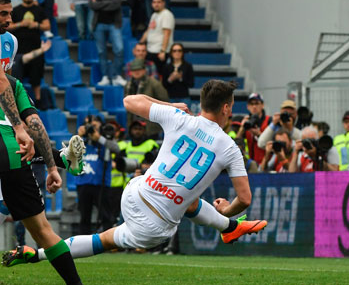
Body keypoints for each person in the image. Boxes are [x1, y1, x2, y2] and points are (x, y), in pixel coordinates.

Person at [4, 80, 268, 269]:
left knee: (185, 198)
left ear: (202, 103)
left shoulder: (180, 117)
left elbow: (129, 101)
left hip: (135, 192)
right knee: (103, 240)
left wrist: (170, 105)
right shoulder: (230, 148)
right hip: (155, 224)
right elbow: (244, 199)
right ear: (225, 108)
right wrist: (225, 210)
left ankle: (230, 228)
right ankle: (228, 226)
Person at [0, 0, 96, 285]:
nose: (9, 20)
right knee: (42, 229)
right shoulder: (11, 80)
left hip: (10, 145)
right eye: (2, 14)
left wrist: (51, 168)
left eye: (9, 13)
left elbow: (32, 118)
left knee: (41, 229)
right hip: (14, 146)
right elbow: (27, 117)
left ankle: (59, 159)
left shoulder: (10, 65)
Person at [74, 114, 120, 235]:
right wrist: (78, 136)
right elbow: (70, 153)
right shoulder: (81, 140)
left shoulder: (105, 139)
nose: (90, 126)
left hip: (101, 183)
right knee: (84, 216)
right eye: (88, 123)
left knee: (106, 215)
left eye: (94, 123)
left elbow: (116, 148)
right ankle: (83, 243)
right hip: (83, 182)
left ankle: (108, 242)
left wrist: (98, 137)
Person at [8, 0, 50, 109]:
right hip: (18, 50)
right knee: (15, 78)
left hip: (35, 49)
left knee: (36, 77)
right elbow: (7, 25)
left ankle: (38, 99)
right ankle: (15, 100)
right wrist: (21, 24)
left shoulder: (39, 10)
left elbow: (47, 25)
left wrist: (36, 24)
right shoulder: (15, 10)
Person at [89, 0, 126, 86]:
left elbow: (116, 4)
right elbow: (92, 6)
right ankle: (105, 76)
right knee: (101, 52)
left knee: (119, 49)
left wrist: (100, 3)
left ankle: (116, 75)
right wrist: (108, 3)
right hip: (98, 24)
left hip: (113, 24)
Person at [124, 58, 169, 139]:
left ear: (144, 70)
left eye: (139, 69)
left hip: (150, 124)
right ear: (130, 72)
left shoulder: (154, 84)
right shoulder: (128, 85)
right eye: (134, 70)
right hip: (134, 124)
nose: (136, 72)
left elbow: (164, 101)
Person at [139, 0, 174, 74]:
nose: (156, 4)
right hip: (151, 50)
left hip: (159, 52)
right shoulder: (154, 15)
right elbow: (148, 30)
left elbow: (167, 34)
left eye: (159, 2)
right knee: (150, 74)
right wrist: (140, 43)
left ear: (163, 3)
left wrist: (163, 51)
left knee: (159, 76)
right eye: (154, 2)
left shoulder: (166, 15)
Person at [240, 92, 271, 165]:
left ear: (262, 105)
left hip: (267, 163)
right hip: (250, 165)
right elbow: (236, 143)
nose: (254, 106)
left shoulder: (269, 121)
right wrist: (242, 128)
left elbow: (273, 144)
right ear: (248, 106)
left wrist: (259, 134)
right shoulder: (245, 122)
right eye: (251, 104)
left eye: (257, 103)